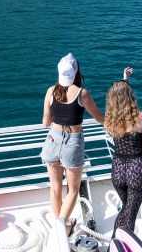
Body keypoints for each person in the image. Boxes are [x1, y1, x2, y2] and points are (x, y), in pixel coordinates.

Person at [40, 53, 105, 236]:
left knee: (55, 187)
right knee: (73, 190)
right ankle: (63, 228)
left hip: (52, 140)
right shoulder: (82, 93)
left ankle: (62, 223)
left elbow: (45, 123)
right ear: (76, 72)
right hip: (72, 143)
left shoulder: (50, 91)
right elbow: (100, 118)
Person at [104, 67, 142, 237]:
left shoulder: (111, 120)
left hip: (118, 170)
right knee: (129, 216)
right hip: (136, 169)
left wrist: (124, 79)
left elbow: (119, 96)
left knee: (126, 209)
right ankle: (116, 246)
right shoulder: (140, 116)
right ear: (131, 96)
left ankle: (117, 245)